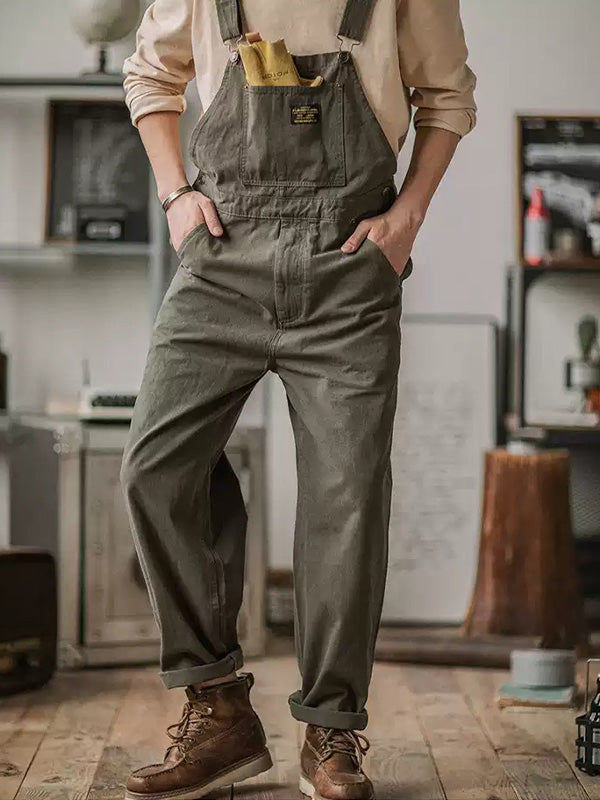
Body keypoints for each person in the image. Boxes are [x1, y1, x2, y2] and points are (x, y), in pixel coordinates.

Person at [120, 0, 476, 798]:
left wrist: (408, 216)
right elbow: (150, 75)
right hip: (222, 257)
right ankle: (219, 711)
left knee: (345, 498)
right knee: (156, 468)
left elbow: (447, 97)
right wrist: (177, 193)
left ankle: (332, 727)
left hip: (349, 268)